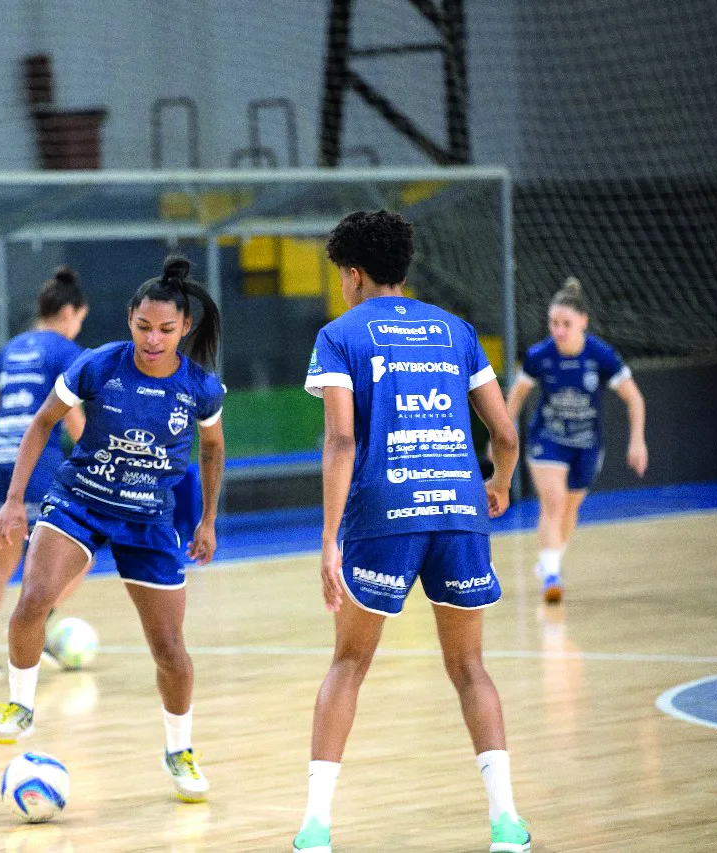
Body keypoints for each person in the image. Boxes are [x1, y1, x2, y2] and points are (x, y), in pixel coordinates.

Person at [294, 210, 530, 853]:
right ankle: (506, 822)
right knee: (470, 667)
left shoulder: (339, 335)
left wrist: (328, 539)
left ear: (353, 274)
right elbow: (505, 434)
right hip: (460, 508)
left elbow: (342, 439)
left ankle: (316, 827)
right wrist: (500, 484)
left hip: (382, 510)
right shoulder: (456, 331)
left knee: (348, 663)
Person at [0, 255, 226, 805]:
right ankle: (21, 703)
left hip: (149, 519)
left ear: (184, 328)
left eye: (166, 330)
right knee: (34, 599)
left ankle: (179, 750)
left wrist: (208, 519)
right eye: (144, 327)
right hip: (79, 502)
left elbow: (212, 450)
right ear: (128, 320)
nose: (154, 339)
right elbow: (43, 422)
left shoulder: (200, 388)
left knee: (169, 650)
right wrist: (15, 501)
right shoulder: (98, 365)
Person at [0, 266, 90, 677]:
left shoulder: (9, 349)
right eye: (80, 320)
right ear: (69, 312)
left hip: (0, 464)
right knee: (76, 561)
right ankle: (33, 633)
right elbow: (72, 419)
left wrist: (5, 450)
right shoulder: (65, 352)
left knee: (2, 563)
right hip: (40, 468)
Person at [504, 277, 647, 604]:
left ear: (583, 322)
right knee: (552, 502)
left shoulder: (600, 356)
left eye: (565, 323)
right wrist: (505, 432)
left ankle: (549, 560)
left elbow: (634, 398)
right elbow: (518, 395)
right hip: (547, 440)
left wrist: (637, 440)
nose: (558, 330)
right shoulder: (540, 356)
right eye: (553, 323)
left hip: (586, 443)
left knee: (570, 510)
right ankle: (552, 577)